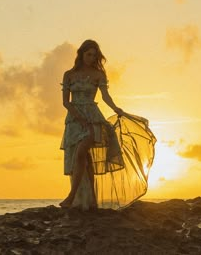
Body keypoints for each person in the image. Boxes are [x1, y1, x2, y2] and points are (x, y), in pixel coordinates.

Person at [59, 39, 156, 210]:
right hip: (74, 119)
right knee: (84, 159)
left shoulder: (98, 75)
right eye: (88, 54)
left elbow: (105, 96)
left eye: (94, 55)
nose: (91, 58)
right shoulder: (69, 74)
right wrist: (80, 119)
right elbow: (66, 103)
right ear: (81, 54)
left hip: (93, 118)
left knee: (81, 153)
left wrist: (117, 109)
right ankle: (92, 202)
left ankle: (71, 196)